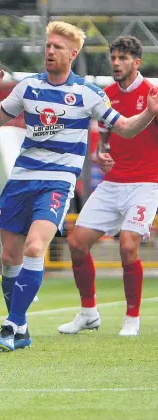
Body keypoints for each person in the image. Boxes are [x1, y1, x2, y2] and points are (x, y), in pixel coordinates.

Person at [0, 21, 158, 352]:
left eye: (57, 47)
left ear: (73, 54)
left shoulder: (89, 94)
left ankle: (11, 326)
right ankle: (21, 327)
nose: (50, 51)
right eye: (48, 46)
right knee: (9, 256)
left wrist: (149, 113)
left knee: (36, 248)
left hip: (61, 181)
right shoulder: (27, 87)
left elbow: (125, 128)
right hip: (22, 178)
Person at [58, 35, 158, 337]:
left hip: (146, 183)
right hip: (113, 183)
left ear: (136, 62)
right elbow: (103, 140)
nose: (116, 62)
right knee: (76, 244)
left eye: (123, 58)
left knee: (128, 247)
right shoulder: (105, 95)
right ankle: (88, 313)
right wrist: (101, 155)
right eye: (113, 57)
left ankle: (132, 318)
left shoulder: (153, 93)